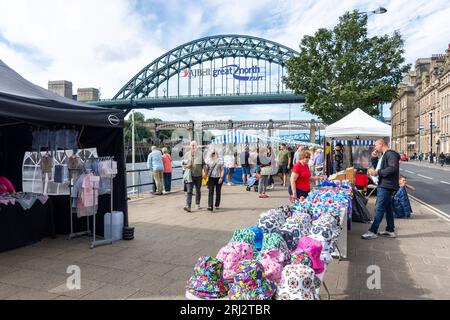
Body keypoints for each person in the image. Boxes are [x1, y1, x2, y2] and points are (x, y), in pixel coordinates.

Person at [362, 139, 400, 240]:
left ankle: (372, 231)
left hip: (386, 185)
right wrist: (374, 158)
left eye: (376, 145)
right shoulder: (384, 155)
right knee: (388, 208)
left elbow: (393, 168)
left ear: (381, 144)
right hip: (385, 184)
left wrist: (378, 173)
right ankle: (390, 230)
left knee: (379, 208)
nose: (375, 147)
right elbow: (379, 167)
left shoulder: (391, 154)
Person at [183, 141, 205, 212]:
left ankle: (197, 204)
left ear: (197, 146)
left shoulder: (200, 154)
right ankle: (188, 206)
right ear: (190, 146)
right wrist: (187, 166)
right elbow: (183, 165)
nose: (193, 147)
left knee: (198, 190)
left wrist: (205, 171)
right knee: (189, 191)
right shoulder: (186, 154)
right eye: (192, 145)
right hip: (190, 176)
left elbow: (204, 164)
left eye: (194, 145)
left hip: (199, 175)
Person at [205, 147, 225, 211]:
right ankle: (210, 206)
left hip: (218, 177)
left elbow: (222, 170)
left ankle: (217, 204)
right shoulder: (208, 160)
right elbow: (206, 168)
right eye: (212, 153)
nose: (213, 154)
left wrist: (221, 177)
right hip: (211, 177)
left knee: (218, 191)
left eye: (214, 152)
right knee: (210, 191)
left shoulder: (220, 160)